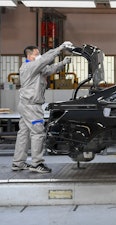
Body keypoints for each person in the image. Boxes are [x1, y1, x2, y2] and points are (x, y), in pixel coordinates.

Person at [11, 41, 73, 173]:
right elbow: (44, 60)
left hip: (26, 105)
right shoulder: (29, 67)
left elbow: (49, 69)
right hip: (31, 107)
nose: (39, 56)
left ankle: (18, 163)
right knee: (38, 133)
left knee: (24, 133)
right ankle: (36, 164)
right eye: (37, 54)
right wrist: (59, 49)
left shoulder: (36, 68)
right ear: (30, 56)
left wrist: (62, 63)